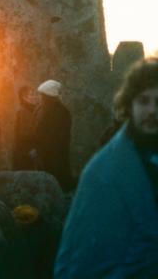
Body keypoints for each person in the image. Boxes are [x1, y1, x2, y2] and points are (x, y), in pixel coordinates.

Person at [54, 58, 158, 278]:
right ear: (129, 105)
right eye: (144, 101)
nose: (152, 110)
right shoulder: (102, 174)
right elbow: (78, 262)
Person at [31, 80, 73, 191]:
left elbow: (58, 137)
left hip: (54, 154)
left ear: (47, 97)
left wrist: (42, 151)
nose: (39, 97)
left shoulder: (61, 113)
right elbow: (35, 130)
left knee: (55, 179)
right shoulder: (40, 109)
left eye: (42, 95)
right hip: (41, 152)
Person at [13, 85, 37, 170]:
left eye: (34, 94)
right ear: (24, 97)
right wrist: (30, 148)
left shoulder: (30, 110)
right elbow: (24, 134)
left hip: (26, 151)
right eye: (31, 95)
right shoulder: (24, 112)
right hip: (25, 152)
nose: (34, 97)